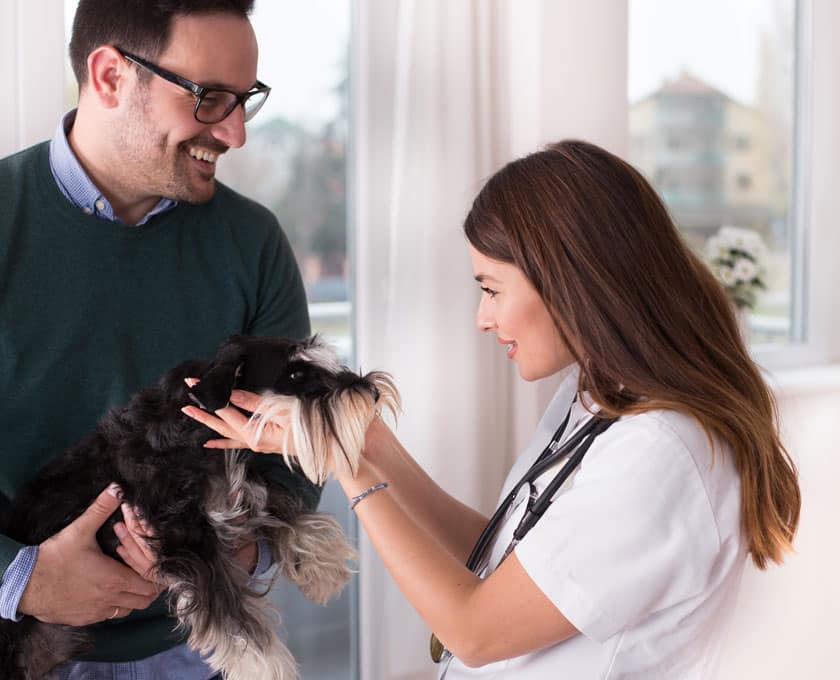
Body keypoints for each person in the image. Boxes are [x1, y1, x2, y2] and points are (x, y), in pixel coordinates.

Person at [184, 140, 802, 678]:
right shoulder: (595, 394)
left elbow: (475, 631)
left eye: (491, 289)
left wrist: (349, 467)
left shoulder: (661, 452)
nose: (483, 318)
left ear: (571, 281)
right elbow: (511, 561)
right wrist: (371, 443)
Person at [0, 1, 318, 678]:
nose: (234, 133)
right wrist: (20, 577)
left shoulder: (254, 244)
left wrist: (238, 554)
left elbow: (293, 448)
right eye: (209, 98)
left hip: (193, 648)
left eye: (244, 101)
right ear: (111, 75)